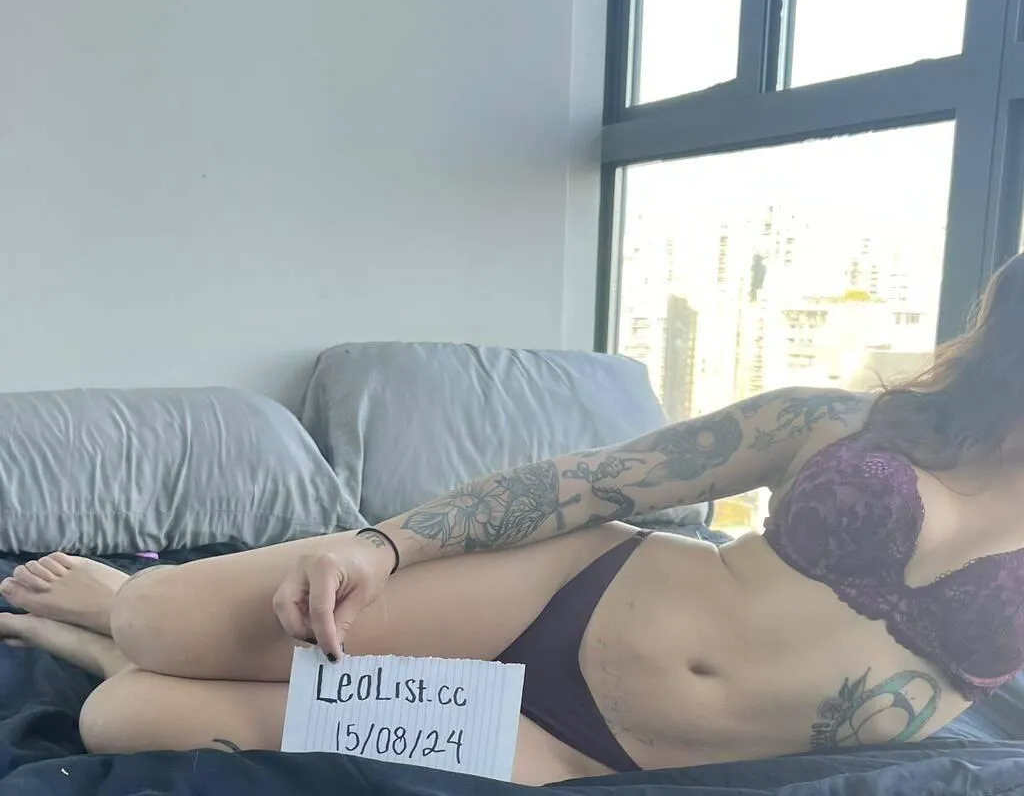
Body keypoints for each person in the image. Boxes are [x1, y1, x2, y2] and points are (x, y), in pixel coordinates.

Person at [2, 254, 1023, 786]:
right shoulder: (836, 419)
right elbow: (593, 479)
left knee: (120, 717)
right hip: (565, 593)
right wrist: (379, 542)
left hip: (585, 753)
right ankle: (123, 600)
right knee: (157, 621)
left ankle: (96, 644)